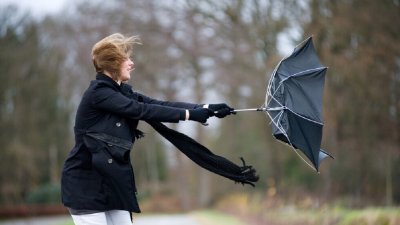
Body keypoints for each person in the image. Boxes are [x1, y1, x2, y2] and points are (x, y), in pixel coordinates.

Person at [61, 33, 235, 225]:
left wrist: (205, 108)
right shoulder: (98, 94)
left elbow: (159, 103)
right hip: (85, 184)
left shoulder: (122, 92)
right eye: (126, 58)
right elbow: (141, 110)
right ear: (112, 63)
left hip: (111, 182)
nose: (131, 63)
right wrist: (190, 115)